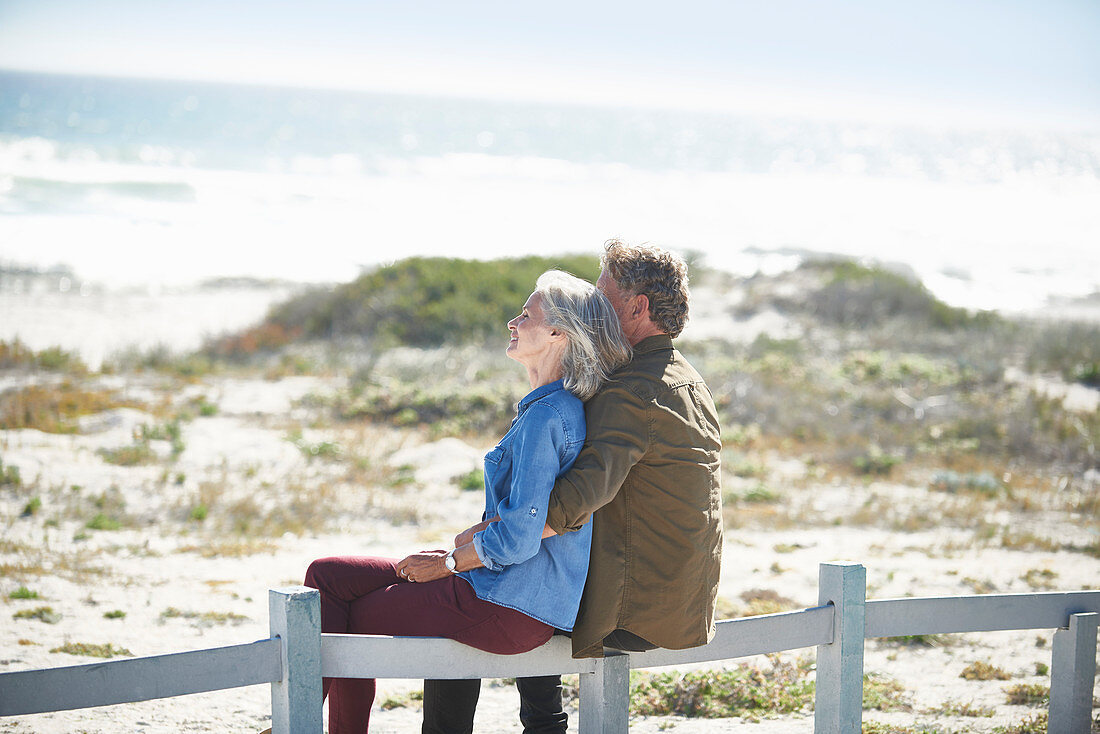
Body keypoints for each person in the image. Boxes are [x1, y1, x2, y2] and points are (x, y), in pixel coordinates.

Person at [301, 270, 631, 734]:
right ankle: (309, 720)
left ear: (558, 332)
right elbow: (522, 518)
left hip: (508, 606)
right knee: (328, 575)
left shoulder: (548, 417)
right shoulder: (549, 408)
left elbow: (519, 538)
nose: (512, 322)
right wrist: (463, 549)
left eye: (526, 315)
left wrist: (451, 562)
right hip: (499, 589)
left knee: (345, 618)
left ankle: (315, 725)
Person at [424, 240, 723, 734]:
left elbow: (573, 501)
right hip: (682, 597)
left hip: (631, 605)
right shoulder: (687, 379)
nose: (592, 311)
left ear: (636, 307)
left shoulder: (632, 390)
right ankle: (544, 724)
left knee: (479, 589)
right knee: (526, 564)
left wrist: (477, 544)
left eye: (601, 299)